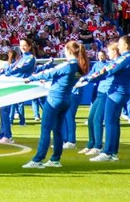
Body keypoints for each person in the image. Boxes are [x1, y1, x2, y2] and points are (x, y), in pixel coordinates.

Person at [21, 41, 88, 170]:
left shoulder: (67, 65)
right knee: (57, 130)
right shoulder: (79, 67)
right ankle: (55, 159)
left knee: (46, 129)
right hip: (66, 99)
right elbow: (62, 78)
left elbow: (49, 72)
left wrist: (31, 78)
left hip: (54, 99)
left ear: (69, 51)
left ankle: (38, 159)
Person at [81, 36, 130, 162]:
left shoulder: (125, 58)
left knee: (110, 122)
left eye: (120, 44)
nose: (118, 46)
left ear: (126, 45)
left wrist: (87, 78)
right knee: (114, 122)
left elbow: (108, 69)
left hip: (116, 93)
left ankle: (107, 152)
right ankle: (113, 152)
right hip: (119, 92)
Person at [0, 40, 37, 144]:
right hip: (14, 84)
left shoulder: (30, 58)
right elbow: (12, 66)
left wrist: (6, 72)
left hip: (20, 85)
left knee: (5, 109)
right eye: (21, 45)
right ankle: (2, 134)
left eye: (25, 45)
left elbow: (18, 69)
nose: (23, 47)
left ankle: (7, 136)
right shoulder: (21, 58)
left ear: (29, 46)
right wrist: (1, 71)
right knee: (3, 108)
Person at [79, 49, 111, 156]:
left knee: (97, 119)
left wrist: (87, 79)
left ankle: (98, 146)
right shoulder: (97, 65)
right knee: (91, 119)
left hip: (105, 92)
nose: (101, 57)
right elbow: (93, 74)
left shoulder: (111, 64)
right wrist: (86, 78)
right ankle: (91, 144)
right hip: (99, 92)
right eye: (99, 55)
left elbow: (99, 75)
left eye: (103, 55)